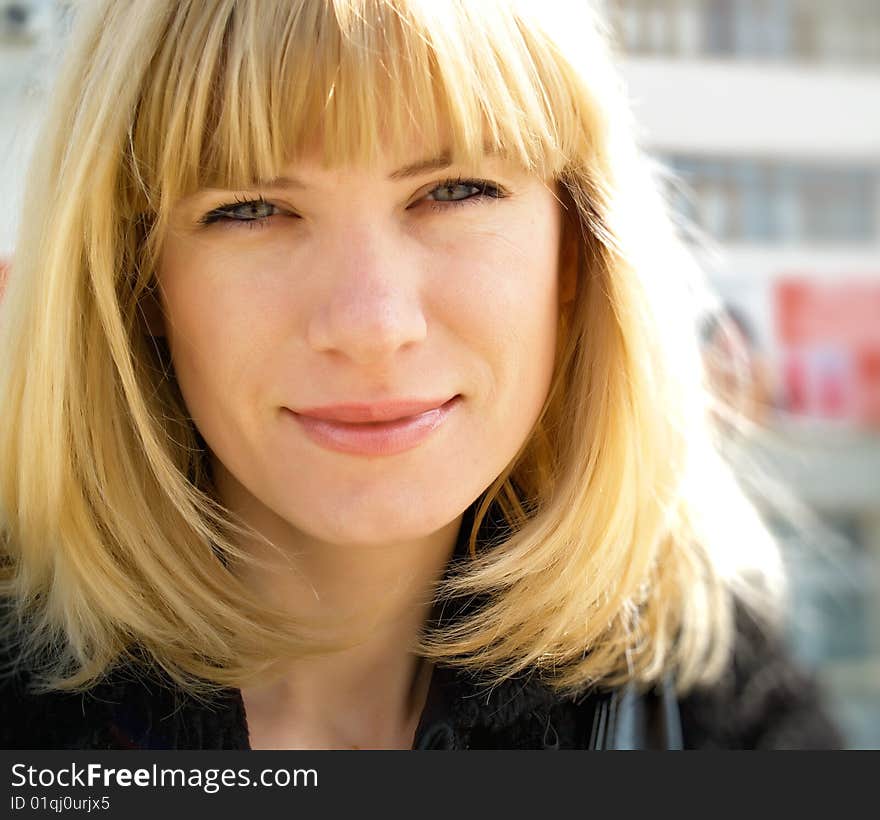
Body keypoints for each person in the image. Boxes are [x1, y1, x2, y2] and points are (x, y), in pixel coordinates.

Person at [0, 0, 842, 750]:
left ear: (577, 248)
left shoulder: (702, 697)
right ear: (135, 279)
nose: (373, 326)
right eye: (250, 208)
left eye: (457, 190)